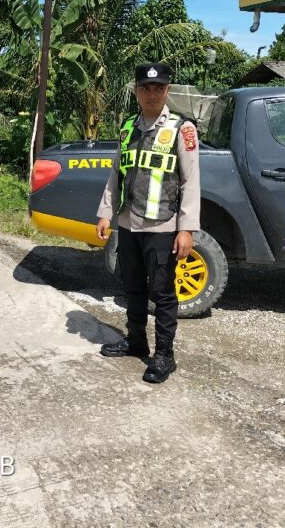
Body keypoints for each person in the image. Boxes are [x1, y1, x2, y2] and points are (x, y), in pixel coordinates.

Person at [96, 63, 200, 384]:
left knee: (163, 291)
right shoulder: (128, 127)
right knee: (133, 286)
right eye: (145, 88)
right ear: (136, 91)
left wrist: (186, 228)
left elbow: (191, 181)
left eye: (158, 88)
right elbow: (117, 174)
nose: (151, 94)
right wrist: (105, 211)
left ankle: (165, 355)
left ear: (167, 90)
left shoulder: (183, 130)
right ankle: (136, 339)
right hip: (129, 224)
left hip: (163, 226)